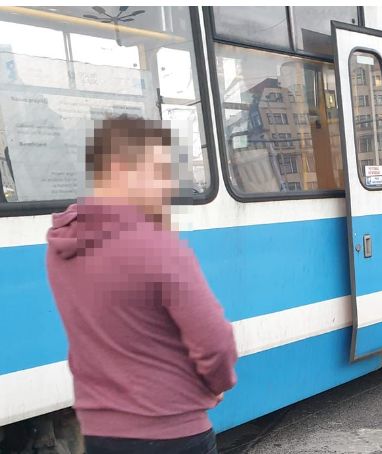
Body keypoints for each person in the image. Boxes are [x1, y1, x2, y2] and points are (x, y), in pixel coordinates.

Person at [46, 116, 238, 453]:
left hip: (100, 433)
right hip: (173, 430)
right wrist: (217, 384)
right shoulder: (155, 245)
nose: (167, 185)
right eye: (158, 171)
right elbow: (214, 341)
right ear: (118, 169)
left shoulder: (61, 244)